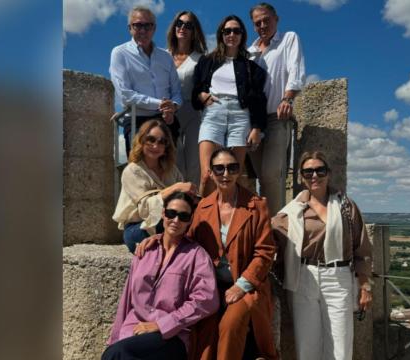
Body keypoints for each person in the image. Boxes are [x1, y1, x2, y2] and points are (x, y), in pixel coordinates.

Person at [136, 148, 278, 360]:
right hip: (209, 287)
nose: (225, 174)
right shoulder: (203, 207)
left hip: (244, 286)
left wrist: (242, 285)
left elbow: (265, 251)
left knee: (231, 324)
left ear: (239, 171)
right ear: (210, 173)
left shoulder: (257, 206)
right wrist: (157, 239)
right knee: (204, 330)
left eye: (232, 168)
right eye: (219, 168)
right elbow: (185, 238)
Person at [271, 151, 373, 360]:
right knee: (307, 347)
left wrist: (364, 285)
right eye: (308, 171)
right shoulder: (290, 212)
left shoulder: (346, 206)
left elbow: (361, 249)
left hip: (339, 277)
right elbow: (270, 241)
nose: (314, 175)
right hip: (304, 277)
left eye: (320, 170)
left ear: (329, 173)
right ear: (301, 177)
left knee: (341, 347)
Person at [103, 191, 219, 360]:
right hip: (132, 329)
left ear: (190, 221)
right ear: (163, 214)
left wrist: (161, 324)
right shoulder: (145, 250)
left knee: (117, 354)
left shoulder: (196, 256)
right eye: (171, 213)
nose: (176, 220)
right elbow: (127, 298)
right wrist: (114, 339)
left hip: (171, 336)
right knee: (114, 353)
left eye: (183, 216)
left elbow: (207, 300)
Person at [191, 15, 267, 197]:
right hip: (213, 112)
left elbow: (258, 99)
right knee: (208, 175)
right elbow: (195, 91)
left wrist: (257, 127)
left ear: (242, 35)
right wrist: (201, 95)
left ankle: (228, 220)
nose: (232, 34)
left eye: (236, 31)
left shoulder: (252, 68)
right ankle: (204, 220)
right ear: (221, 34)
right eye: (227, 31)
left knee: (232, 176)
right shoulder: (206, 61)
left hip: (240, 116)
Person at [248, 2, 306, 216]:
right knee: (259, 177)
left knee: (272, 175)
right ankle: (264, 228)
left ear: (276, 19)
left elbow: (296, 70)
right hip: (253, 122)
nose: (262, 25)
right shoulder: (250, 52)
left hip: (276, 117)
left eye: (266, 20)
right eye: (257, 23)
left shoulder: (288, 39)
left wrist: (287, 99)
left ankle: (277, 230)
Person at [112, 119, 196, 253]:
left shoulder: (171, 170)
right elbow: (145, 210)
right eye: (151, 139)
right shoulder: (133, 170)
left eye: (162, 142)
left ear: (166, 147)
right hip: (139, 226)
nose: (156, 146)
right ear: (141, 141)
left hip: (171, 222)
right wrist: (175, 188)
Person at [110, 5, 183, 157]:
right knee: (140, 172)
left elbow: (176, 91)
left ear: (154, 28)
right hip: (138, 120)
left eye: (147, 25)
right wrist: (161, 104)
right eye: (137, 25)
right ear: (130, 28)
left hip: (166, 120)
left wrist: (173, 107)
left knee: (167, 171)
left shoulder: (166, 57)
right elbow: (125, 94)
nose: (143, 30)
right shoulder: (120, 53)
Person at [166, 11, 207, 187]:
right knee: (174, 160)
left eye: (188, 25)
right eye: (179, 23)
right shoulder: (163, 56)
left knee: (193, 163)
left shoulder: (200, 59)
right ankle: (177, 203)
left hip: (193, 112)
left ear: (194, 31)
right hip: (170, 113)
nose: (183, 28)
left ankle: (194, 205)